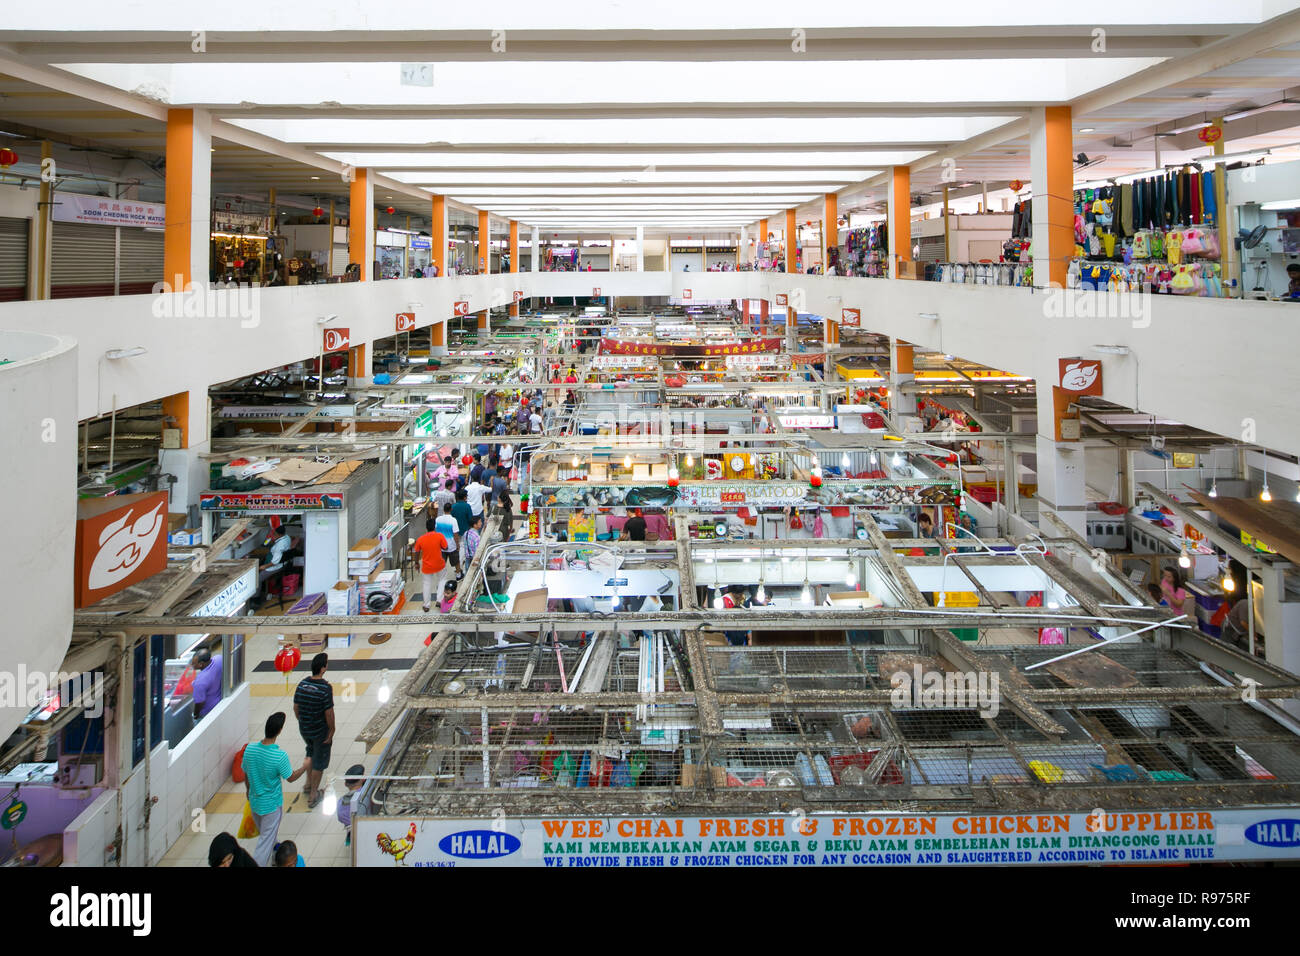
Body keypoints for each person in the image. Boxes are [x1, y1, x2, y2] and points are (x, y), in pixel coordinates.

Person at [240, 712, 310, 867]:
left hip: (255, 802)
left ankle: (276, 855)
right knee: (265, 842)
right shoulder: (279, 756)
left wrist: (248, 791)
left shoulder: (250, 749)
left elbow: (246, 772)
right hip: (271, 806)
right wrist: (304, 767)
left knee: (268, 836)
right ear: (280, 731)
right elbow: (291, 777)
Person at [292, 652, 334, 808]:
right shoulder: (325, 688)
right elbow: (329, 713)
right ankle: (313, 795)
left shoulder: (302, 684)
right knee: (319, 762)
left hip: (305, 729)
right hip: (320, 731)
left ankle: (307, 785)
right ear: (323, 668)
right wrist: (331, 731)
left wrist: (303, 722)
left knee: (309, 753)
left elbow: (296, 708)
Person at [412, 517, 451, 613]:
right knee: (442, 580)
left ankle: (426, 605)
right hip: (439, 564)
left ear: (426, 528)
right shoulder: (439, 536)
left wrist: (416, 563)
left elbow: (416, 552)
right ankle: (439, 600)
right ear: (435, 527)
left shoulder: (421, 539)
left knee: (426, 584)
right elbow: (446, 547)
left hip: (426, 566)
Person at [191, 646, 223, 720]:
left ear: (201, 664)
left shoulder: (200, 681)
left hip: (207, 712)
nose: (192, 665)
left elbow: (199, 703)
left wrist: (195, 715)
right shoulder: (219, 659)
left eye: (193, 663)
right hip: (220, 703)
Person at [337, 764, 366, 847]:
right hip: (361, 827)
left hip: (350, 827)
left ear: (345, 784)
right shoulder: (365, 794)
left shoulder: (341, 802)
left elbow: (341, 818)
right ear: (363, 779)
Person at [437, 502, 462, 575]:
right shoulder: (453, 520)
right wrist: (457, 545)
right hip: (452, 546)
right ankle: (458, 575)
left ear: (443, 510)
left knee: (442, 563)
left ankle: (441, 577)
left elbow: (436, 531)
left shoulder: (438, 519)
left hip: (441, 546)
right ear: (451, 509)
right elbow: (455, 534)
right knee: (456, 562)